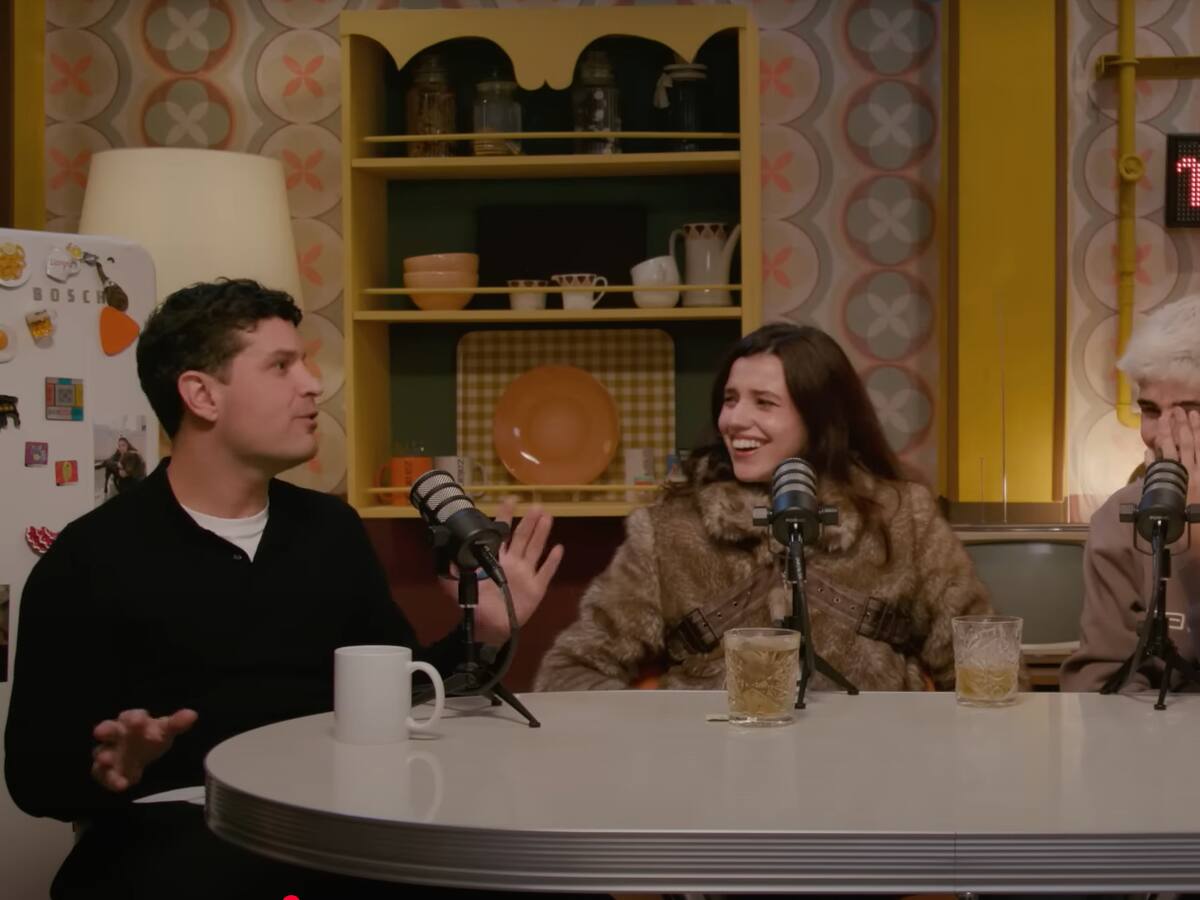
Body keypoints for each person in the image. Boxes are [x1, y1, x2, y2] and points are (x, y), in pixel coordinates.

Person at [5, 278, 564, 899]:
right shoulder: (90, 558)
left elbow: (398, 697)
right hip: (179, 840)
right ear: (201, 394)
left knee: (547, 883)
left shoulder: (330, 530)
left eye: (304, 362)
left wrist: (482, 634)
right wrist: (115, 767)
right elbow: (33, 780)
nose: (312, 383)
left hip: (333, 830)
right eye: (280, 365)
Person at [535, 322, 991, 693]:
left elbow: (980, 659)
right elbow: (571, 671)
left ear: (820, 417)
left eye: (764, 403)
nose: (734, 420)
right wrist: (660, 741)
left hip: (870, 760)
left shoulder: (903, 516)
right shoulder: (668, 527)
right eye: (730, 399)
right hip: (713, 762)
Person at [1061, 295, 1200, 692]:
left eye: (1190, 410)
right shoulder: (1119, 517)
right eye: (1151, 410)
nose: (1160, 434)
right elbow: (1101, 682)